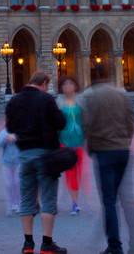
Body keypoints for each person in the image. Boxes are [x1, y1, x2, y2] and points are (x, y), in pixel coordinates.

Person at [5, 70, 67, 254]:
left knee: (26, 200)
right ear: (44, 83)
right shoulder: (46, 99)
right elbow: (60, 122)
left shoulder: (14, 101)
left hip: (24, 155)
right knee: (48, 199)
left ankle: (28, 244)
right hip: (46, 154)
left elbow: (10, 127)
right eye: (47, 85)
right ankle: (47, 244)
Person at [79, 77, 134, 254]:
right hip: (123, 150)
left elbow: (87, 124)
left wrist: (89, 146)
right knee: (125, 198)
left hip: (104, 151)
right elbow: (131, 121)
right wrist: (125, 140)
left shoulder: (92, 98)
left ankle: (115, 246)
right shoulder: (122, 95)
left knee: (109, 201)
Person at [57, 77, 87, 215]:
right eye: (65, 84)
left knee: (78, 171)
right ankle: (74, 203)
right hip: (64, 141)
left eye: (70, 83)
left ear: (75, 86)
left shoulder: (82, 101)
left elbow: (87, 119)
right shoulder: (58, 101)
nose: (68, 86)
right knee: (70, 172)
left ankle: (75, 199)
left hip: (79, 140)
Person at [0, 126, 21, 217]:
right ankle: (9, 205)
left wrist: (17, 138)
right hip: (6, 162)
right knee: (8, 184)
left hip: (19, 161)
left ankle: (18, 204)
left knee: (17, 183)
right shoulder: (4, 132)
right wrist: (6, 139)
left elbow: (26, 142)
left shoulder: (21, 130)